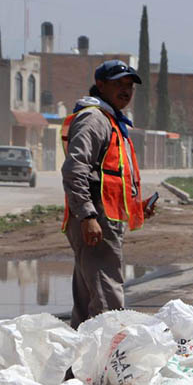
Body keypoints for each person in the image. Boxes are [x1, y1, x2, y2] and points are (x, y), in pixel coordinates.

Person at [61, 59, 155, 329]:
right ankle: (106, 365)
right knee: (107, 301)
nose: (126, 90)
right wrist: (87, 215)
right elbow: (75, 169)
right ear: (100, 85)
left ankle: (78, 367)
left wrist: (137, 206)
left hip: (102, 220)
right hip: (96, 222)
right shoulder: (94, 119)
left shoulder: (113, 121)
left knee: (88, 298)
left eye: (129, 86)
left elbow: (111, 179)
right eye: (118, 84)